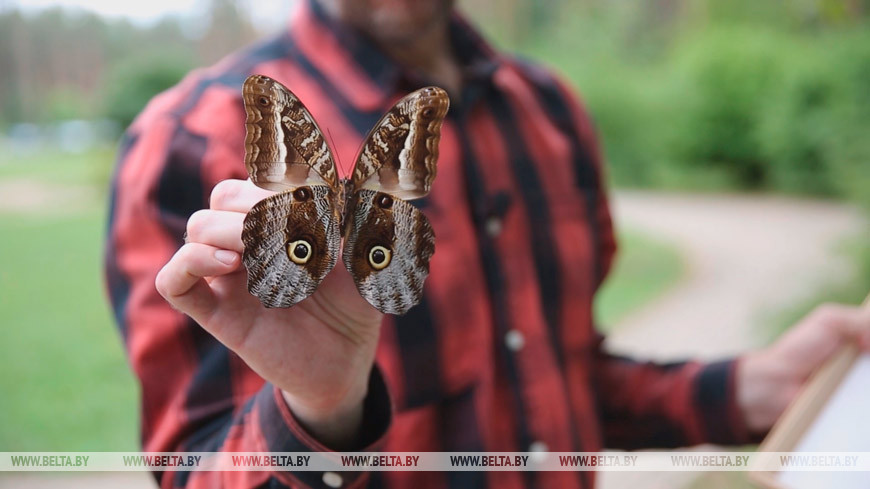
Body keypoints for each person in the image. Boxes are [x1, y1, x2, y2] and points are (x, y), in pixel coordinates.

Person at [105, 0, 870, 487]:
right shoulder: (194, 139)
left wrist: (751, 386)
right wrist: (325, 409)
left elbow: (561, 380)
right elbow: (193, 471)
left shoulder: (547, 111)